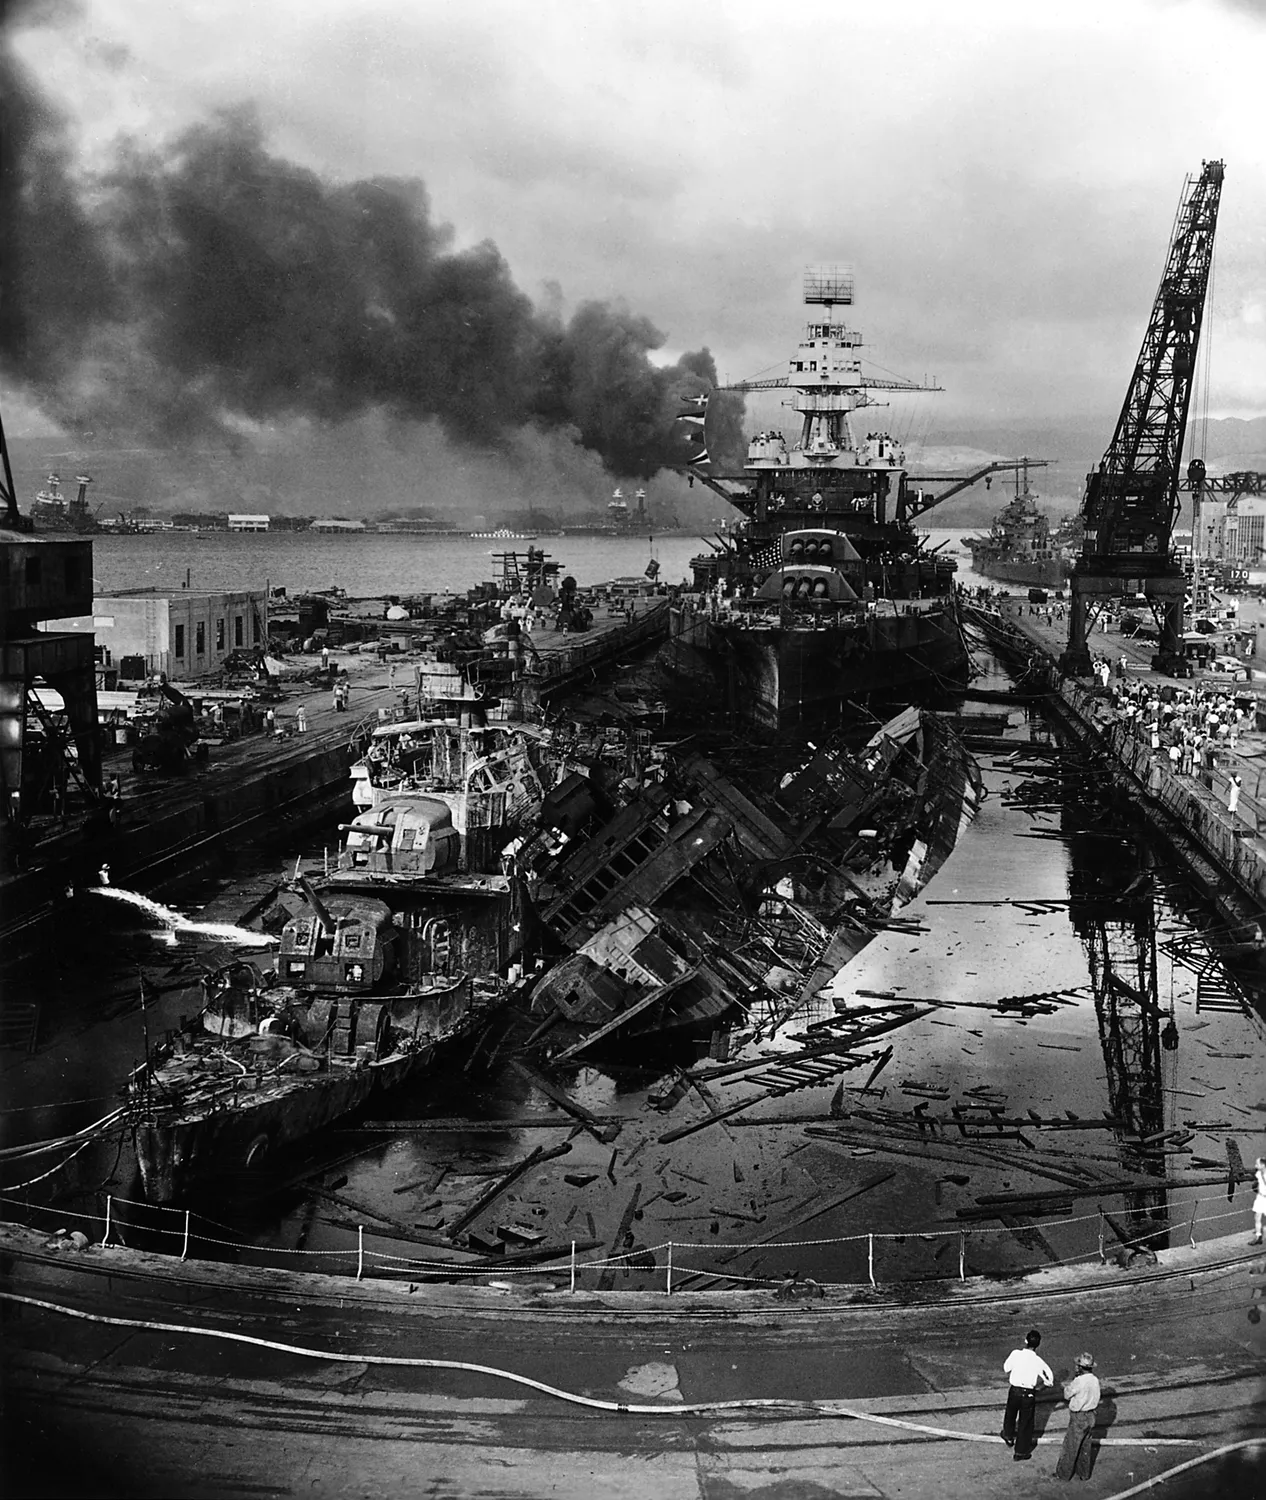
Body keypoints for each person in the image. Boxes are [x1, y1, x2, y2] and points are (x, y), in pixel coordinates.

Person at [1002, 1328, 1053, 1461]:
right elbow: (1049, 1380)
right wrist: (1038, 1389)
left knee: (1010, 1413)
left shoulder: (1016, 1354)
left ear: (1025, 1341)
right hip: (1029, 1394)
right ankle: (1020, 1452)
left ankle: (1008, 1435)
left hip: (1014, 1390)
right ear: (1038, 1345)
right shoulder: (1038, 1361)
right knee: (1026, 1423)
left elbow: (1006, 1368)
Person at [1054, 1352, 1100, 1481]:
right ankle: (1084, 1473)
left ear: (1080, 1367)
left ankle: (1063, 1474)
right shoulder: (1094, 1380)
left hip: (1079, 1416)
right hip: (1091, 1415)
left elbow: (1067, 1395)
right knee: (1086, 1446)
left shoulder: (1078, 1381)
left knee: (1071, 1446)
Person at [1252, 1157, 1266, 1245]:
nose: (1255, 1166)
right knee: (1257, 1217)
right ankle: (1258, 1237)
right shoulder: (1258, 1174)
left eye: (1257, 1164)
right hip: (1260, 1197)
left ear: (1263, 1165)